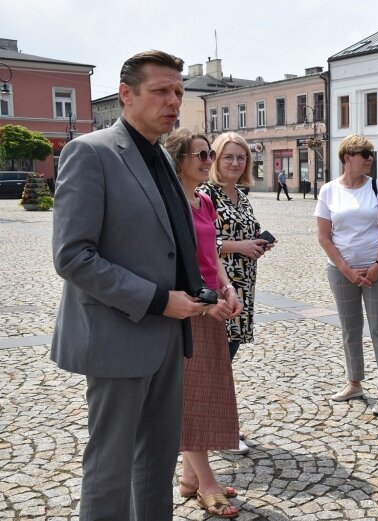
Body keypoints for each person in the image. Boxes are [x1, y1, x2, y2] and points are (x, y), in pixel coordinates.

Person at [51, 50, 208, 520]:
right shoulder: (92, 151)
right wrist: (160, 299)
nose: (173, 101)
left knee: (157, 462)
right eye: (161, 90)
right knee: (111, 467)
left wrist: (200, 290)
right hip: (119, 334)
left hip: (168, 336)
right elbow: (73, 256)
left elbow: (168, 240)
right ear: (126, 94)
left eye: (178, 92)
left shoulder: (160, 157)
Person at [164, 129, 243, 518]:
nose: (207, 159)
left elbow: (212, 255)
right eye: (199, 154)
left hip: (213, 304)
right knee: (193, 398)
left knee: (210, 393)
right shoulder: (169, 204)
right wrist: (201, 304)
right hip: (188, 310)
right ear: (178, 159)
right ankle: (207, 483)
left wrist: (229, 289)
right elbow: (172, 266)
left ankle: (189, 477)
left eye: (208, 152)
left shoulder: (204, 201)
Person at [314, 134, 378, 416]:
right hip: (341, 272)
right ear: (347, 158)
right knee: (350, 329)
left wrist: (377, 264)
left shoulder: (377, 187)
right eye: (365, 153)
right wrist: (347, 270)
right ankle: (355, 383)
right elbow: (324, 237)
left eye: (371, 153)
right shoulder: (328, 191)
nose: (370, 158)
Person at [199, 132, 270, 455]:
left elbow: (243, 232)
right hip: (220, 288)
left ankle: (213, 428)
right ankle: (219, 432)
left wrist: (256, 243)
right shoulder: (206, 194)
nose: (235, 162)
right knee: (217, 363)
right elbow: (200, 241)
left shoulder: (241, 193)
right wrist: (240, 246)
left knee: (225, 359)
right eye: (228, 156)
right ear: (214, 159)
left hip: (244, 287)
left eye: (241, 157)